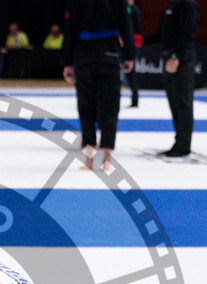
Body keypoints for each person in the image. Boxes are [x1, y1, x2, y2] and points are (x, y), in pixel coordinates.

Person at [61, 0, 135, 172]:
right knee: (110, 106)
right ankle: (106, 160)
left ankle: (89, 161)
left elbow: (70, 29)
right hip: (109, 53)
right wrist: (129, 55)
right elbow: (126, 26)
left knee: (86, 106)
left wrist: (67, 62)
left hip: (84, 54)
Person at [147, 0, 198, 157]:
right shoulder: (169, 6)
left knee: (183, 102)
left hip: (181, 58)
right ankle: (179, 141)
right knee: (174, 103)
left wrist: (176, 56)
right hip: (168, 56)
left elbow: (187, 32)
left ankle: (183, 145)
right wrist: (135, 40)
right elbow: (160, 35)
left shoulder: (187, 4)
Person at [126, 0, 143, 107]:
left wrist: (136, 45)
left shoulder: (134, 10)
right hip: (124, 43)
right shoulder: (124, 9)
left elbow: (138, 29)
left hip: (132, 44)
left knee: (131, 72)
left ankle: (135, 99)